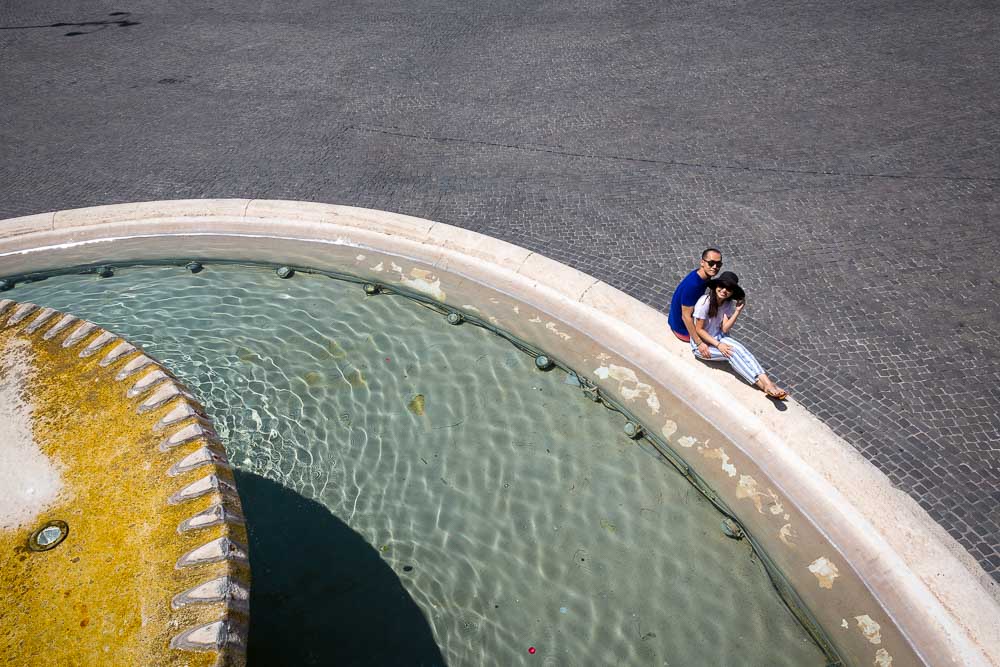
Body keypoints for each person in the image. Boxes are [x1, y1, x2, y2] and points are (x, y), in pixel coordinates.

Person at [690, 271, 788, 400]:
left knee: (742, 349)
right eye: (722, 286)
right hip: (702, 345)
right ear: (716, 286)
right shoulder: (705, 302)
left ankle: (768, 383)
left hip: (719, 337)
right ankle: (763, 386)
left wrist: (737, 311)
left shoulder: (727, 303)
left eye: (729, 289)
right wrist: (718, 345)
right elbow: (699, 330)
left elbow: (724, 328)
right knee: (732, 354)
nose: (724, 291)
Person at [668, 248, 723, 357]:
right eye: (711, 263)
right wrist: (699, 343)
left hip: (674, 320)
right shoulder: (693, 286)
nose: (715, 267)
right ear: (702, 262)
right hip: (682, 330)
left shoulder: (701, 275)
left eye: (718, 264)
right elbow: (685, 317)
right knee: (719, 341)